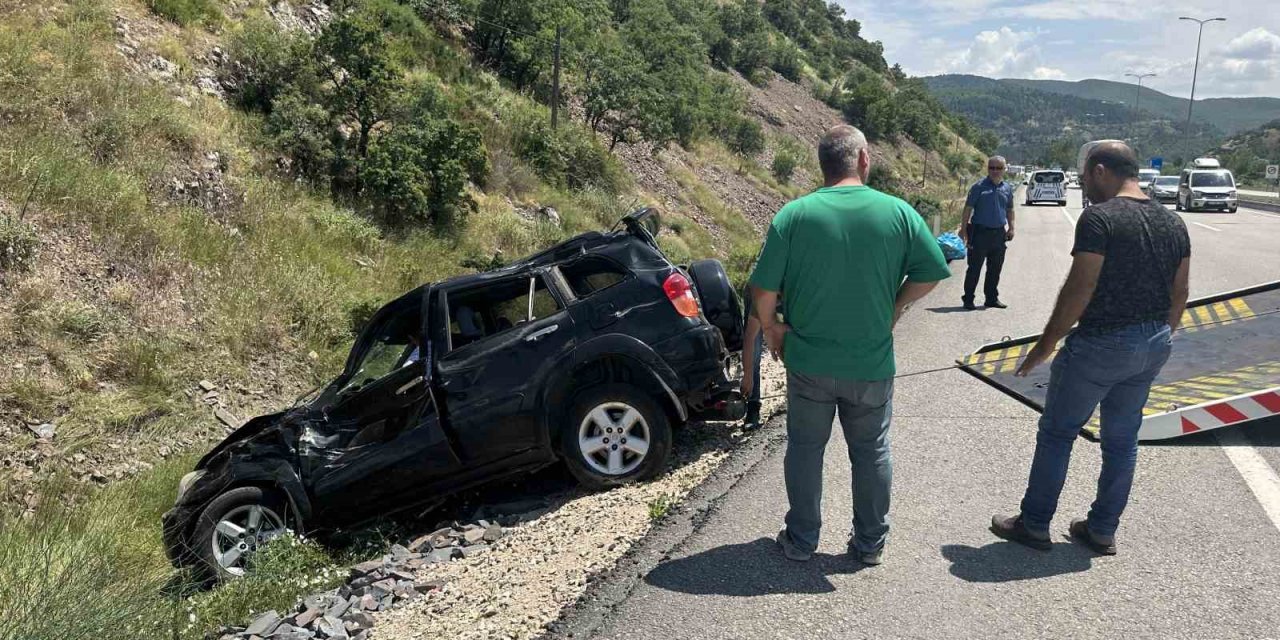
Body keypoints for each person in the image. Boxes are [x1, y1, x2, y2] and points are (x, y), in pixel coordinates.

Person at [749, 125, 951, 565]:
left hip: (808, 362)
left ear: (822, 164)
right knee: (871, 450)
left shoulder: (794, 216)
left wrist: (772, 329)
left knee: (805, 449)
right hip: (870, 362)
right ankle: (868, 545)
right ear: (863, 159)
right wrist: (896, 307)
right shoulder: (897, 212)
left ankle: (801, 540)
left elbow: (762, 290)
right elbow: (932, 271)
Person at [991, 140, 1190, 555]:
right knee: (1122, 440)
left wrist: (1044, 347)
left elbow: (1079, 289)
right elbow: (1180, 292)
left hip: (1101, 344)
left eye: (1084, 176)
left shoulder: (1099, 219)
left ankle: (1035, 523)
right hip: (1152, 342)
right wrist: (1159, 337)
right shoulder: (1174, 223)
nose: (1083, 184)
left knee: (1058, 433)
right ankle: (1101, 530)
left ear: (1101, 170)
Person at [959, 156, 1016, 310]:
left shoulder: (1007, 188)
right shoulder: (978, 187)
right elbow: (968, 209)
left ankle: (991, 298)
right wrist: (963, 229)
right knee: (974, 268)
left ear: (1004, 169)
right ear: (988, 169)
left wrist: (1011, 227)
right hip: (979, 233)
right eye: (992, 168)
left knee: (995, 268)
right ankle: (968, 299)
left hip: (999, 233)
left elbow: (1010, 209)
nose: (995, 171)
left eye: (999, 168)